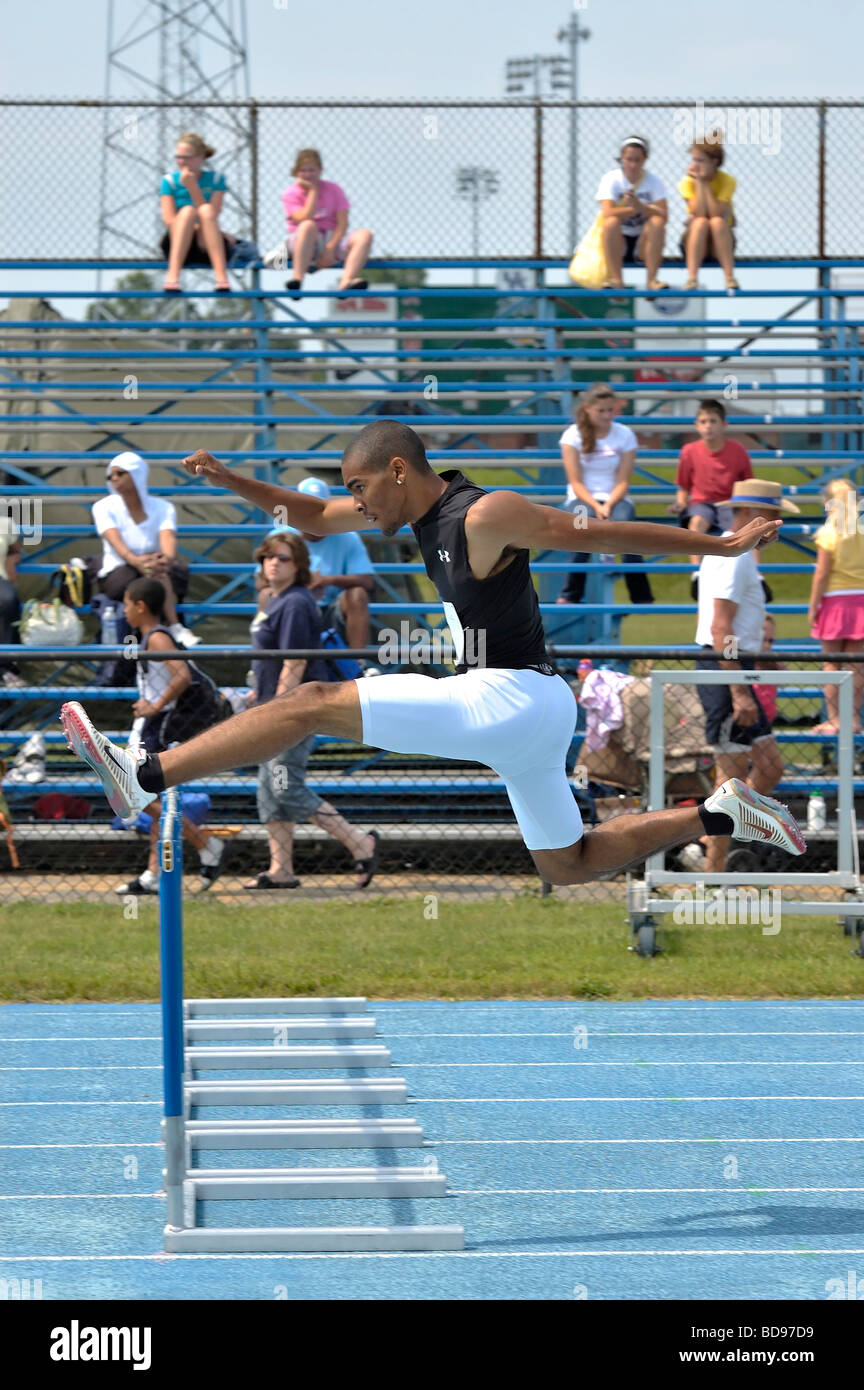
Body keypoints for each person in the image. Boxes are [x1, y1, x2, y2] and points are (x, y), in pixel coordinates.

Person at [61, 420, 806, 891]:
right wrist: (231, 481)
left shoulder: (484, 514)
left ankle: (143, 776)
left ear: (395, 471)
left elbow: (596, 536)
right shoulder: (406, 510)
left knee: (312, 703)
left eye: (362, 489)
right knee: (568, 862)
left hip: (511, 696)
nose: (360, 506)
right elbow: (314, 516)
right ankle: (716, 814)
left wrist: (719, 542)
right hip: (524, 715)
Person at [245, 531, 379, 889]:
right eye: (268, 557)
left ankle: (359, 841)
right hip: (272, 704)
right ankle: (281, 870)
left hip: (291, 710)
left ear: (300, 565)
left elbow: (295, 661)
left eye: (283, 558)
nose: (273, 563)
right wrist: (258, 691)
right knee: (269, 791)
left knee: (286, 786)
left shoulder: (295, 603)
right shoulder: (274, 599)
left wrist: (276, 709)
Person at [687, 480, 796, 877]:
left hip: (733, 667)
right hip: (725, 669)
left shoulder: (737, 553)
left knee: (768, 769)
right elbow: (721, 629)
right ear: (757, 518)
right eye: (775, 521)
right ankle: (713, 870)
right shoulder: (734, 556)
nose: (778, 531)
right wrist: (739, 692)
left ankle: (714, 838)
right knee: (730, 779)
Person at [117, 577, 229, 894]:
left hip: (159, 726)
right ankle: (155, 874)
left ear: (140, 606)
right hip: (150, 724)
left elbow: (182, 675)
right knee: (146, 794)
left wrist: (155, 705)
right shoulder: (149, 637)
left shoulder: (157, 638)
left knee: (133, 789)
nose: (124, 610)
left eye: (127, 603)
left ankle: (206, 844)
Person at [557, 383, 654, 606]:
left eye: (611, 410)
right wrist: (597, 506)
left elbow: (623, 481)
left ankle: (641, 596)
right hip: (581, 498)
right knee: (580, 530)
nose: (606, 415)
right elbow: (576, 482)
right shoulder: (572, 435)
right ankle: (571, 594)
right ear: (588, 409)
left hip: (616, 498)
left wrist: (608, 504)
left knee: (628, 535)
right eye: (601, 411)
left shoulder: (625, 434)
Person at [92, 451, 198, 647]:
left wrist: (165, 559)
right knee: (154, 576)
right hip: (119, 572)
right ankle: (174, 626)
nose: (114, 478)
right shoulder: (102, 507)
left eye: (120, 473)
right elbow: (116, 543)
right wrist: (138, 562)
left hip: (155, 570)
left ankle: (160, 638)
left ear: (137, 474)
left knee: (157, 573)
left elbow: (168, 538)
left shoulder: (163, 507)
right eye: (111, 475)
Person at [259, 477, 375, 653]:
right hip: (292, 605)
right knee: (268, 595)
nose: (311, 514)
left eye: (317, 508)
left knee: (357, 594)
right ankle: (268, 659)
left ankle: (357, 663)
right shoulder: (280, 537)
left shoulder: (348, 536)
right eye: (306, 508)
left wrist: (327, 580)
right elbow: (261, 582)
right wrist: (301, 584)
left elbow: (367, 581)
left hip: (331, 609)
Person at [669, 398, 753, 586]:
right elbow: (683, 487)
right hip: (701, 503)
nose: (708, 426)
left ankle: (755, 575)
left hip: (729, 503)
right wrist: (681, 503)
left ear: (724, 424)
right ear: (696, 425)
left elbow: (748, 485)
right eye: (704, 422)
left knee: (746, 529)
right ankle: (696, 574)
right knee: (696, 522)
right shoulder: (689, 451)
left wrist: (746, 508)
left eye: (713, 421)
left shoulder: (737, 450)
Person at [809, 478, 864, 734]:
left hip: (835, 601)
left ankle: (834, 718)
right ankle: (852, 718)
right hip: (861, 600)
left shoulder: (828, 533)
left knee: (831, 665)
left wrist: (813, 606)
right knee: (856, 667)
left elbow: (822, 573)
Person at [279, 149, 373, 295]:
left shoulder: (334, 189)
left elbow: (342, 223)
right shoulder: (290, 193)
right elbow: (304, 218)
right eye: (303, 171)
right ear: (296, 172)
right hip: (303, 242)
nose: (308, 174)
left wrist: (329, 250)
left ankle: (346, 281)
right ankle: (297, 279)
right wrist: (313, 192)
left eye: (312, 170)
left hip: (330, 240)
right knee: (308, 225)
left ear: (320, 170)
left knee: (365, 235)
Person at [159, 133, 233, 294]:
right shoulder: (169, 181)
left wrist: (193, 187)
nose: (181, 162)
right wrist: (191, 222)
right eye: (178, 157)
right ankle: (173, 275)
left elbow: (213, 214)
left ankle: (221, 276)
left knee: (205, 210)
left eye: (187, 157)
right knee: (187, 211)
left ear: (201, 158)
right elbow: (169, 221)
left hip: (205, 241)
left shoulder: (216, 179)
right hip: (177, 241)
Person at [596, 136, 669, 292]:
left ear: (645, 159)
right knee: (611, 223)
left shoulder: (654, 182)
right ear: (622, 158)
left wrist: (641, 206)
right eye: (629, 159)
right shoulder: (611, 179)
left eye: (638, 160)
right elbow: (608, 212)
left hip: (643, 241)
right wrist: (637, 208)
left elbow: (663, 215)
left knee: (657, 223)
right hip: (619, 239)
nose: (633, 165)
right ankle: (617, 281)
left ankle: (652, 281)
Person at [678, 137, 738, 290]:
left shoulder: (727, 181)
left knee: (717, 222)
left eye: (701, 161)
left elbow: (715, 212)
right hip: (696, 242)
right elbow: (699, 213)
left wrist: (704, 184)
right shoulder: (687, 182)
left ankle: (729, 278)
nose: (695, 165)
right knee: (700, 223)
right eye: (694, 160)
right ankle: (692, 278)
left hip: (720, 242)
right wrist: (698, 182)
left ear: (714, 162)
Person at [0, 517, 24, 689]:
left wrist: (11, 560)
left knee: (9, 599)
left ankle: (5, 666)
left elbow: (15, 550)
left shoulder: (4, 523)